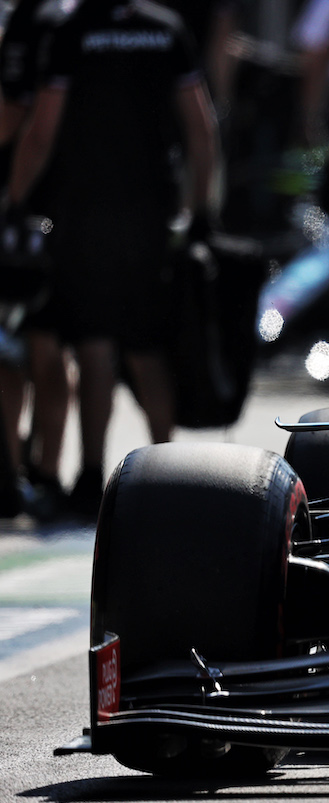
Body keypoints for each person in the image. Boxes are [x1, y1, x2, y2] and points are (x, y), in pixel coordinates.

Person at [3, 0, 219, 518]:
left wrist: (13, 200)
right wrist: (199, 210)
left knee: (96, 346)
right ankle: (168, 470)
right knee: (147, 348)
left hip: (86, 214)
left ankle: (91, 476)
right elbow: (202, 128)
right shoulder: (165, 29)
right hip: (152, 214)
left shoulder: (73, 31)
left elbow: (42, 130)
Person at [0, 0, 75, 519]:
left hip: (28, 210)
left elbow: (21, 121)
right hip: (78, 205)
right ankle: (43, 471)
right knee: (47, 347)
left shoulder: (35, 22)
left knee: (18, 347)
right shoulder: (74, 17)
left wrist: (13, 198)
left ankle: (16, 474)